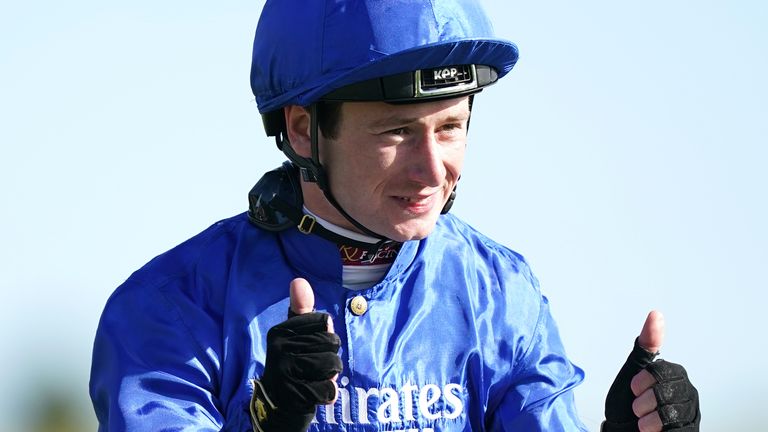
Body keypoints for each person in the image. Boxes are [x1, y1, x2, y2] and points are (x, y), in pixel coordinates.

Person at [89, 1, 700, 431]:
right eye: (398, 132)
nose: (432, 169)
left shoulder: (502, 292)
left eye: (451, 128)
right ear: (303, 130)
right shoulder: (170, 307)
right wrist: (264, 422)